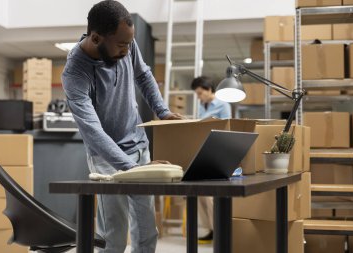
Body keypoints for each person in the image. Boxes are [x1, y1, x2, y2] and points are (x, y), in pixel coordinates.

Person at [62, 1, 182, 252]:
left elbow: (144, 75)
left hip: (139, 147)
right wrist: (133, 169)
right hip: (107, 159)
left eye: (130, 43)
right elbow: (93, 131)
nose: (127, 50)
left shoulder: (124, 42)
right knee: (114, 235)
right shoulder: (75, 72)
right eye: (121, 45)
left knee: (147, 231)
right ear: (96, 38)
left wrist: (163, 111)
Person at [191, 76, 231, 243]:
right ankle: (210, 229)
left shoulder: (223, 105)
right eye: (197, 94)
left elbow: (227, 128)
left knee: (211, 195)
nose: (199, 97)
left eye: (200, 93)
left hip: (218, 151)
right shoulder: (202, 105)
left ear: (208, 89)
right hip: (202, 150)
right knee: (200, 192)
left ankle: (219, 230)